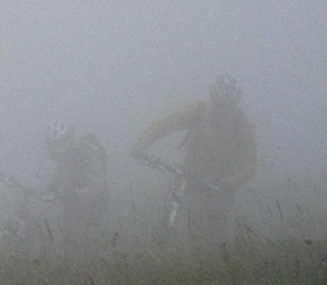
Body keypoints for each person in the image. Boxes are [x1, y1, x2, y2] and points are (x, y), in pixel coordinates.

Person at [131, 74, 257, 251]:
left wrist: (231, 182)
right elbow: (161, 126)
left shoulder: (243, 126)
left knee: (219, 237)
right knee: (197, 227)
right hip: (192, 178)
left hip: (223, 186)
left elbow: (250, 164)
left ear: (236, 104)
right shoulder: (198, 112)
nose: (223, 111)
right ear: (212, 99)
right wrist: (140, 147)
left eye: (228, 107)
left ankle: (215, 266)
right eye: (220, 106)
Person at [42, 120, 109, 247]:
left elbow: (97, 185)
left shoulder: (90, 151)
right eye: (52, 144)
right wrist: (52, 187)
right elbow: (61, 173)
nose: (55, 149)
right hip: (70, 202)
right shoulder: (66, 154)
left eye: (59, 143)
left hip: (95, 204)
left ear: (68, 140)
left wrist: (75, 195)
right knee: (69, 242)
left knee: (90, 243)